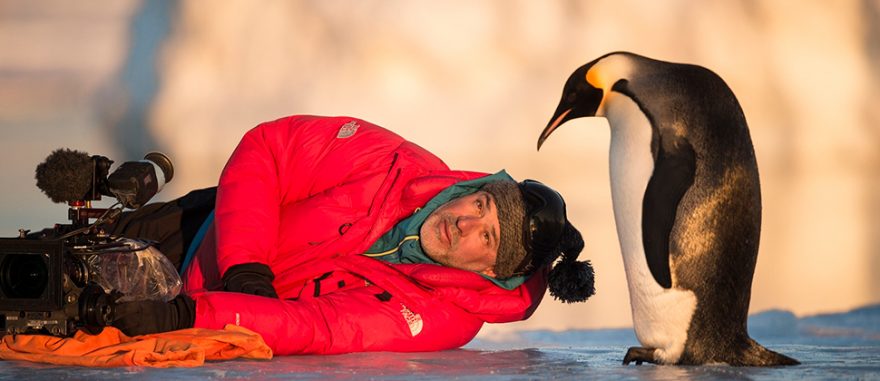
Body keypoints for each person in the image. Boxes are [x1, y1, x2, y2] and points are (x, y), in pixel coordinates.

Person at [106, 115, 594, 355]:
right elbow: (270, 149)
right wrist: (244, 266)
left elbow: (323, 327)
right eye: (481, 204)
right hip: (194, 232)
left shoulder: (444, 319)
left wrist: (192, 314)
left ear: (490, 272)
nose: (463, 222)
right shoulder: (392, 162)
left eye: (486, 238)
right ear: (476, 189)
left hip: (198, 322)